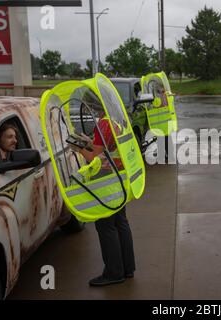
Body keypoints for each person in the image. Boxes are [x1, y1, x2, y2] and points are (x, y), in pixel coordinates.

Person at [72, 104, 136, 287]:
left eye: (90, 106)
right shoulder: (117, 120)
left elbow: (95, 159)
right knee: (120, 222)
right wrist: (89, 142)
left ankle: (114, 273)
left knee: (105, 225)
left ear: (94, 106)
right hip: (120, 178)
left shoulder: (103, 124)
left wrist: (78, 149)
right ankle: (127, 268)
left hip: (106, 181)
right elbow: (107, 148)